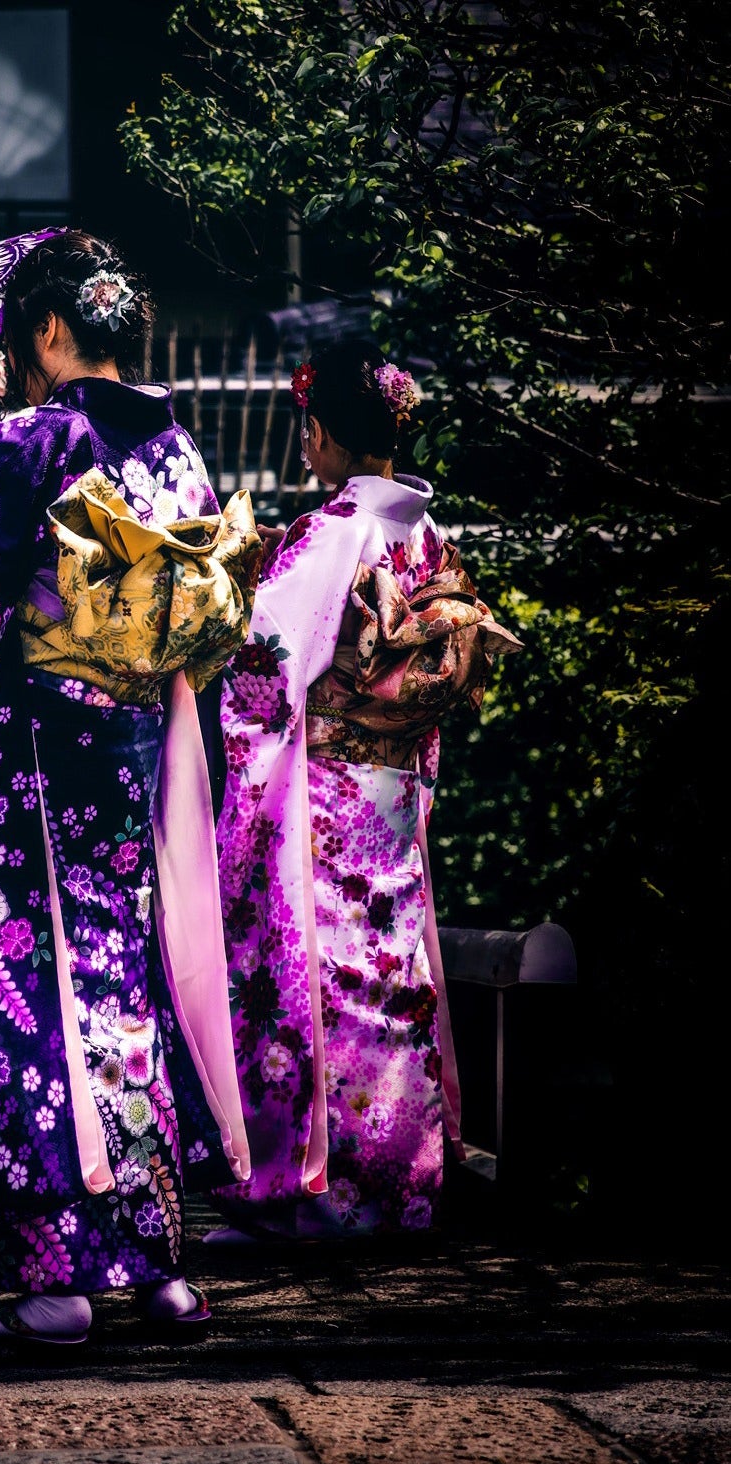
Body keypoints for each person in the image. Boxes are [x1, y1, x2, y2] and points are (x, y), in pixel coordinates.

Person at [0, 230, 257, 1343]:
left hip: (35, 765)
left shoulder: (30, 444)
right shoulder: (179, 453)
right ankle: (154, 1264)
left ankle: (54, 1278)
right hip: (129, 761)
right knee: (112, 986)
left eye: (20, 337)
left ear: (51, 332)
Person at [209, 339, 522, 1243]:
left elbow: (261, 666)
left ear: (320, 434)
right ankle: (399, 1189)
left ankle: (307, 1192)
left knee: (311, 981)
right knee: (394, 985)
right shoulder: (425, 536)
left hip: (325, 797)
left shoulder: (326, 533)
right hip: (393, 798)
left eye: (307, 429)